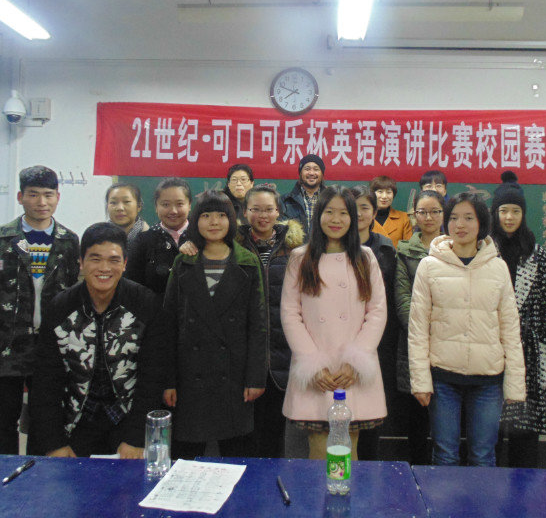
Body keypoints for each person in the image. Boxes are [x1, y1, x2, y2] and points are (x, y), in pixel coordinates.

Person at [0, 165, 79, 455]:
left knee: (44, 416)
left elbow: (75, 295)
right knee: (4, 416)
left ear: (58, 197)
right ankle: (3, 472)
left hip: (51, 345)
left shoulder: (69, 241)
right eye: (33, 194)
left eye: (48, 195)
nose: (42, 202)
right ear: (20, 197)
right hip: (7, 344)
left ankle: (35, 472)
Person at [28, 223, 166, 458]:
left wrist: (135, 438)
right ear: (81, 263)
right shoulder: (60, 307)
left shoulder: (145, 303)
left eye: (113, 260)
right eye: (95, 259)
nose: (104, 268)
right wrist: (54, 443)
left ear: (125, 263)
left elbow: (152, 378)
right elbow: (46, 380)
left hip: (127, 421)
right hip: (75, 423)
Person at [408, 192, 525, 467]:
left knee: (483, 456)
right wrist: (421, 381)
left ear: (481, 223)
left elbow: (510, 328)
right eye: (454, 218)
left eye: (468, 218)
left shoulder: (498, 267)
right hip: (443, 377)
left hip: (488, 379)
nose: (460, 225)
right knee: (445, 454)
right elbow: (418, 328)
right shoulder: (429, 266)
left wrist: (515, 385)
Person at [281, 186, 387, 461]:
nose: (336, 219)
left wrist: (356, 361)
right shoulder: (300, 257)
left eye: (343, 213)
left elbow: (377, 312)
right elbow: (290, 313)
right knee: (319, 452)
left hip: (351, 374)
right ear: (318, 216)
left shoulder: (365, 257)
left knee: (347, 450)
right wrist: (312, 364)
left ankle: (344, 491)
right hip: (318, 374)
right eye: (329, 212)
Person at [163, 191, 268, 459]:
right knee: (186, 462)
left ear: (231, 220)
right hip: (190, 377)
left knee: (236, 459)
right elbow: (169, 324)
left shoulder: (247, 262)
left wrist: (256, 378)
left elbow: (258, 325)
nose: (214, 222)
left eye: (221, 215)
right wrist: (168, 381)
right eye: (206, 215)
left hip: (234, 376)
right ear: (195, 220)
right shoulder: (183, 262)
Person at [490, 171, 546, 468]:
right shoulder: (483, 251)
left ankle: (524, 482)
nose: (509, 217)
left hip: (528, 350)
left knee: (525, 424)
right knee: (491, 424)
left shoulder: (536, 253)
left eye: (515, 211)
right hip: (490, 346)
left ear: (523, 214)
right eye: (503, 211)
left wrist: (543, 339)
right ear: (494, 213)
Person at [237, 185, 304, 458]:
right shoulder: (233, 246)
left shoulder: (295, 248)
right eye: (256, 209)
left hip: (282, 351)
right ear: (245, 212)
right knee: (244, 433)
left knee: (276, 432)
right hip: (244, 353)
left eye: (268, 209)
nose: (262, 215)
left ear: (278, 212)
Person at [395, 189, 444, 464]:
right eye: (422, 212)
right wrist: (421, 334)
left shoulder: (455, 249)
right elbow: (403, 300)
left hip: (448, 343)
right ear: (414, 215)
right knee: (417, 417)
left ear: (443, 214)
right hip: (413, 344)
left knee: (446, 420)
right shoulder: (404, 251)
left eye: (434, 211)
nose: (428, 217)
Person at [350, 185, 399, 460]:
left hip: (378, 341)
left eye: (365, 208)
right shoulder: (331, 246)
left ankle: (368, 467)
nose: (359, 214)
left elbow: (389, 295)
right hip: (341, 339)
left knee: (370, 413)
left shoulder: (385, 247)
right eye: (353, 208)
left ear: (374, 211)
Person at [126, 177, 191, 294]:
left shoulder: (201, 236)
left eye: (179, 204)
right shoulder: (143, 241)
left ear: (189, 205)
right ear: (156, 207)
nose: (173, 211)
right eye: (165, 204)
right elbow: (132, 286)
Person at [282, 154, 326, 234]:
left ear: (322, 173)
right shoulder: (285, 201)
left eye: (316, 169)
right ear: (300, 173)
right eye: (307, 169)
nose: (311, 173)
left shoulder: (331, 200)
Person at [370, 175, 413, 248]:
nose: (384, 196)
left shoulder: (404, 218)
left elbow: (408, 248)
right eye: (380, 192)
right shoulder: (366, 218)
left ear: (393, 195)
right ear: (372, 194)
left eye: (388, 192)